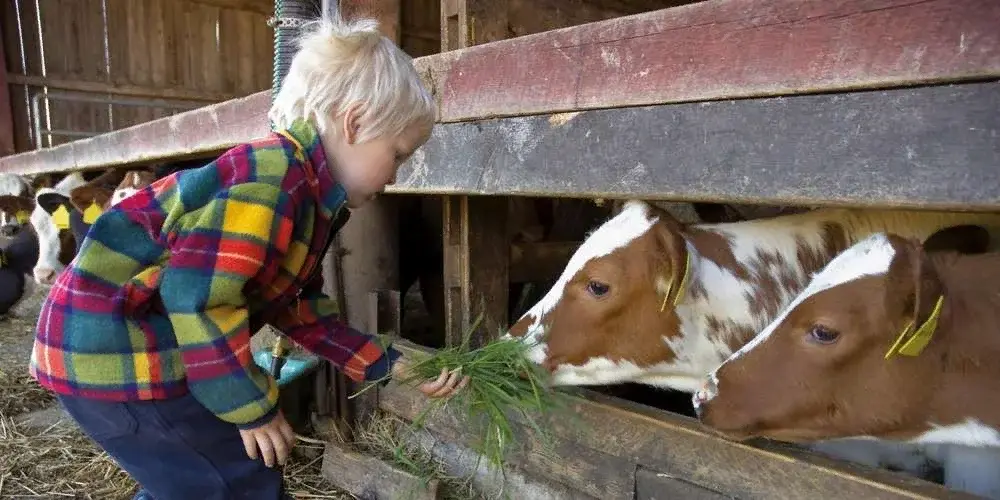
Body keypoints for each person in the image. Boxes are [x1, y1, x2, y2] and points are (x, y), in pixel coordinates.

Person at [30, 12, 467, 500]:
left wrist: (384, 363)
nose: (396, 176)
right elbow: (199, 299)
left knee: (192, 479)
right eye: (399, 155)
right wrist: (250, 406)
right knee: (237, 481)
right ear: (356, 121)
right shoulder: (271, 182)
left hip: (126, 346)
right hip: (112, 350)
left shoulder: (308, 200)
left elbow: (297, 308)